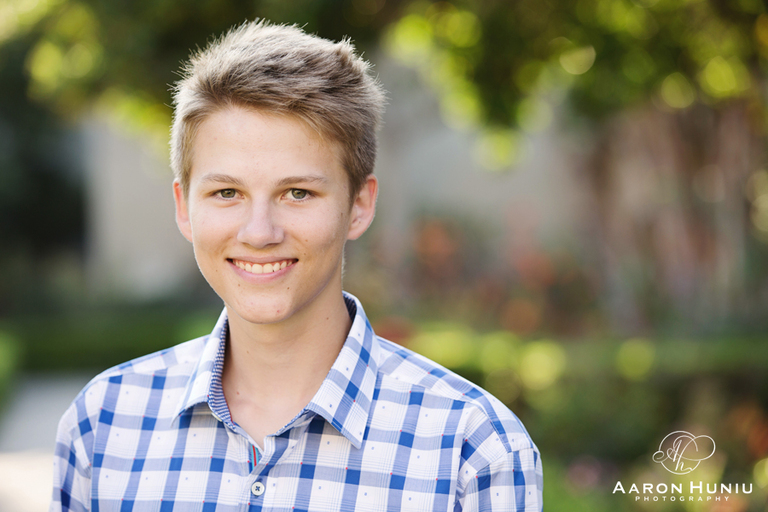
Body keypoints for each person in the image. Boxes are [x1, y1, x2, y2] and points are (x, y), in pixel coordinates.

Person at [50, 19, 543, 511]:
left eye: (297, 193)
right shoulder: (102, 425)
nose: (259, 232)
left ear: (358, 205)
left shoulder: (473, 451)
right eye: (227, 192)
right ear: (184, 207)